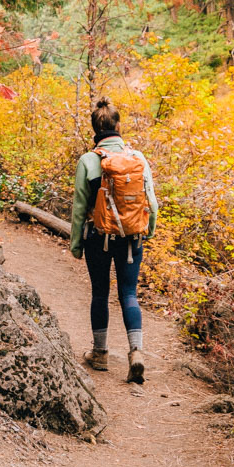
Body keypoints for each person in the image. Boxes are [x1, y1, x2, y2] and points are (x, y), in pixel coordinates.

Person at [69, 98, 158, 384]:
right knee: (129, 294)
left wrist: (76, 244)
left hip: (99, 237)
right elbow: (152, 205)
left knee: (99, 293)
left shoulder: (88, 161)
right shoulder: (138, 159)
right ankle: (136, 353)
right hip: (132, 238)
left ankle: (101, 353)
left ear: (94, 128)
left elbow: (80, 208)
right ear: (118, 126)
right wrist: (148, 231)